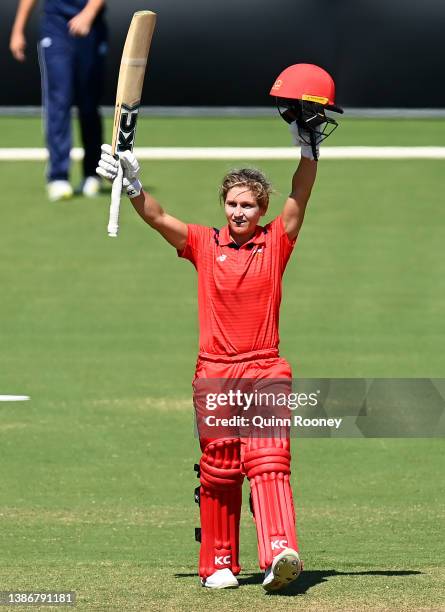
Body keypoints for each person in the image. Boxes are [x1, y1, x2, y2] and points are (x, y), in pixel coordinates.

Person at [96, 114, 323, 591]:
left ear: (262, 210)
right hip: (216, 372)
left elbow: (299, 198)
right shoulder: (202, 242)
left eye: (249, 205)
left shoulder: (276, 242)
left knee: (268, 459)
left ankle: (279, 552)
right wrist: (133, 184)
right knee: (220, 468)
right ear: (223, 204)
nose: (239, 212)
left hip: (265, 367)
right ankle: (218, 562)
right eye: (233, 203)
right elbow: (158, 218)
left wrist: (309, 152)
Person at [10, 0, 107, 201]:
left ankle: (93, 173)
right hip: (55, 27)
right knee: (59, 99)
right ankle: (58, 176)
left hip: (91, 26)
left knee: (89, 103)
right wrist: (18, 29)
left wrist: (89, 12)